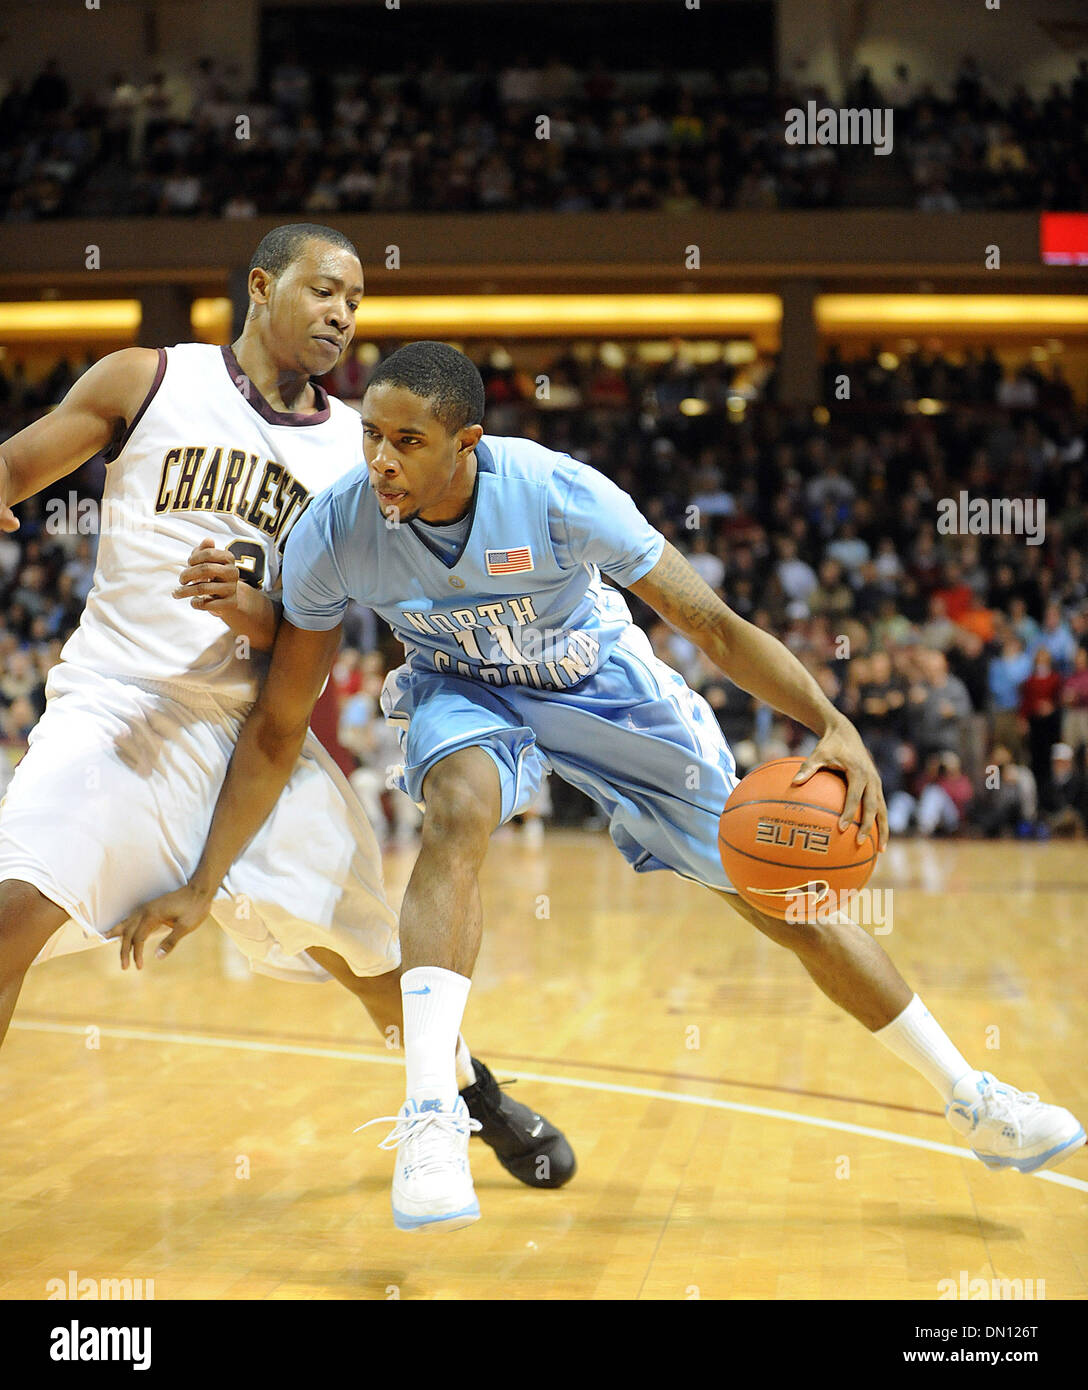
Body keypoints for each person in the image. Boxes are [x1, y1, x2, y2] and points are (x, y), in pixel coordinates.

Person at [117, 342, 1085, 1234]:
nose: (380, 459)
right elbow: (286, 703)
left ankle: (972, 1099)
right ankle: (428, 1115)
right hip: (466, 693)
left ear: (467, 443)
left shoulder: (556, 493)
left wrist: (829, 721)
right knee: (455, 809)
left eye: (406, 441)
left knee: (783, 899)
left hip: (606, 691)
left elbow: (707, 622)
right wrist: (207, 876)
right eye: (370, 434)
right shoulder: (337, 530)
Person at [0, 230, 572, 1195]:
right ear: (262, 287)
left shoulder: (358, 463)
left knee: (368, 957)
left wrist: (254, 612)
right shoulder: (148, 378)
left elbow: (318, 645)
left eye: (356, 300)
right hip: (119, 707)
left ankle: (464, 1089)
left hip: (255, 728)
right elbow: (14, 471)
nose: (343, 315)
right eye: (324, 290)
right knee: (11, 917)